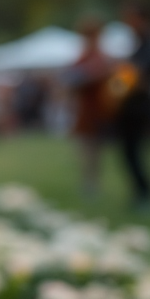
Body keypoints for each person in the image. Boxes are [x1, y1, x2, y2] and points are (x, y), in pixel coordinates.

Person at [115, 1, 150, 208]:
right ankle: (141, 193)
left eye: (130, 18)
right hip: (131, 104)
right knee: (128, 152)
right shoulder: (138, 43)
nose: (127, 23)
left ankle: (147, 194)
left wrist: (124, 77)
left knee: (133, 151)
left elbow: (140, 75)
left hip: (140, 105)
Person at [63, 17, 112, 198]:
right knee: (86, 148)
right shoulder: (84, 58)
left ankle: (92, 183)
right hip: (86, 109)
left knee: (93, 149)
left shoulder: (101, 58)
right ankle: (89, 183)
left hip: (99, 109)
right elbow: (71, 82)